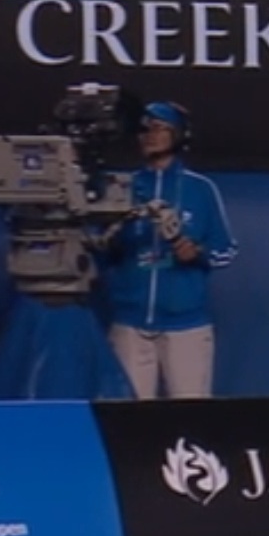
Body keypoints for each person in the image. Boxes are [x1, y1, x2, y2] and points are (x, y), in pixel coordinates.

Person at [96, 102, 237, 398]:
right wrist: (111, 239)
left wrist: (196, 253)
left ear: (179, 135)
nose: (149, 135)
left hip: (186, 327)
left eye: (159, 128)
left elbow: (225, 250)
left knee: (189, 416)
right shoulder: (121, 187)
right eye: (144, 129)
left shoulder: (201, 189)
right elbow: (100, 252)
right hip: (129, 326)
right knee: (127, 415)